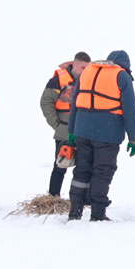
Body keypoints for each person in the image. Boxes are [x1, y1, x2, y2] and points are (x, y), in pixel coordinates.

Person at [66, 50, 135, 221]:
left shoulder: (88, 72)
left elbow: (75, 103)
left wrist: (71, 131)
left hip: (82, 131)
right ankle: (98, 214)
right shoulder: (122, 76)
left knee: (82, 170)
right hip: (107, 133)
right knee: (102, 171)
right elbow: (131, 111)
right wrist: (133, 138)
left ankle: (75, 211)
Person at [39, 51, 91, 196]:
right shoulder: (58, 81)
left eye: (87, 68)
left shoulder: (90, 80)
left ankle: (81, 198)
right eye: (82, 67)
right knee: (60, 165)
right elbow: (46, 102)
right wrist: (56, 124)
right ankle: (53, 196)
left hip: (83, 131)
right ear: (74, 64)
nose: (85, 71)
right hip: (64, 130)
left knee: (84, 167)